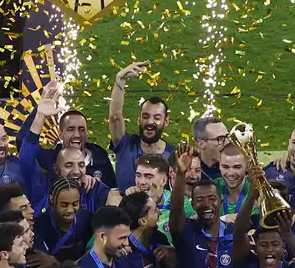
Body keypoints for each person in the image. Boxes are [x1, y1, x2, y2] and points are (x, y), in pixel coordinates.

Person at [26, 83, 116, 187]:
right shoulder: (51, 158)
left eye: (81, 129)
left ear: (87, 133)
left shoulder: (100, 157)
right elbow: (23, 144)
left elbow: (113, 190)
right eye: (71, 129)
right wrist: (40, 113)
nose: (77, 134)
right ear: (60, 134)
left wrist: (97, 187)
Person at [108, 61, 175, 191]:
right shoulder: (126, 145)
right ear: (139, 119)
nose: (150, 122)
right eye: (145, 116)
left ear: (166, 121)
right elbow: (115, 117)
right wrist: (120, 79)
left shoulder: (172, 156)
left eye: (157, 118)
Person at [190, 114, 230, 182]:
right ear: (201, 144)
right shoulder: (187, 172)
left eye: (227, 137)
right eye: (220, 138)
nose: (227, 142)